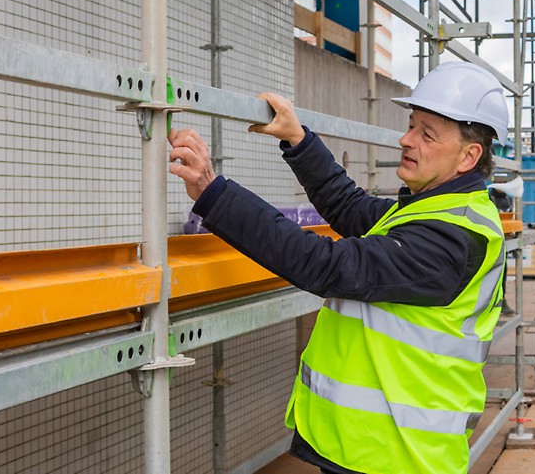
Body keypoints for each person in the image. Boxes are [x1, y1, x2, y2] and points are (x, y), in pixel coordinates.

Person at [169, 61, 509, 474]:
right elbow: (350, 206)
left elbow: (326, 265)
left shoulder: (451, 239)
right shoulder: (433, 211)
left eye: (427, 134)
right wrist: (297, 138)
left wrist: (212, 191)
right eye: (411, 125)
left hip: (399, 454)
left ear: (468, 156)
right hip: (376, 446)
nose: (406, 139)